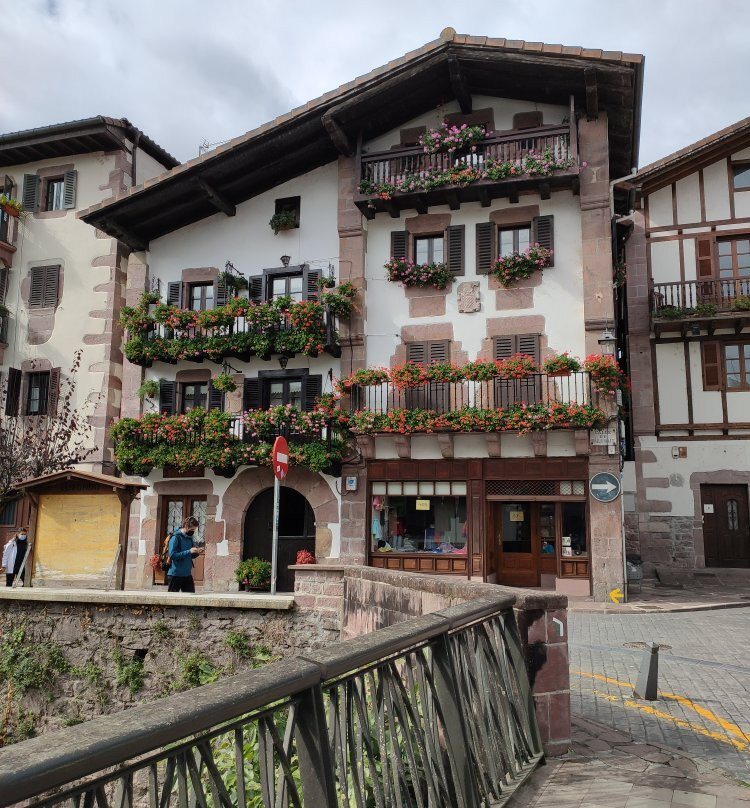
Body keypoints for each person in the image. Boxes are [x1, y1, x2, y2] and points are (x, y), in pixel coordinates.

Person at [167, 516, 203, 592]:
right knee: (172, 600)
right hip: (175, 574)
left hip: (187, 574)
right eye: (192, 529)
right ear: (186, 526)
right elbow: (172, 555)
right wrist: (189, 551)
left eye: (194, 530)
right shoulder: (175, 537)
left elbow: (190, 555)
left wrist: (197, 552)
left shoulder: (189, 538)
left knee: (191, 600)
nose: (193, 531)